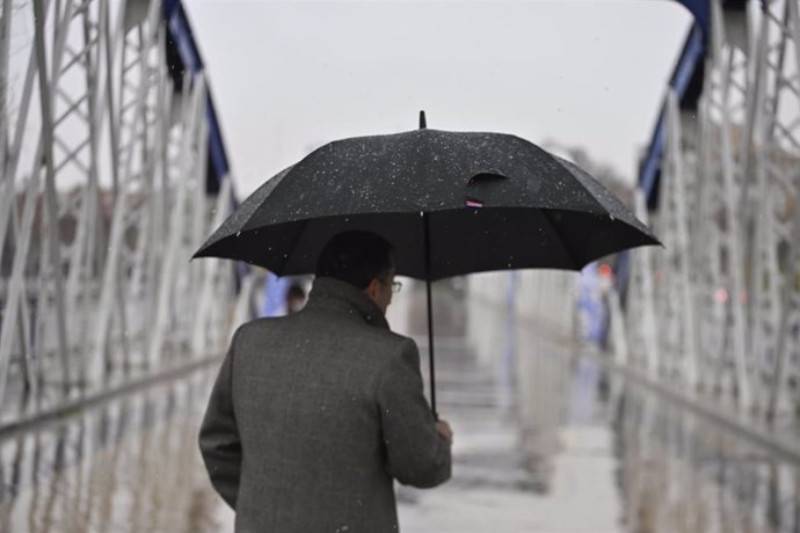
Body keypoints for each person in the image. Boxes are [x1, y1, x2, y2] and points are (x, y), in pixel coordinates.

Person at [199, 230, 453, 532]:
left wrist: (261, 507)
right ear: (374, 289)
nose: (390, 298)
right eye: (392, 286)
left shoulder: (250, 340)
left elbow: (216, 444)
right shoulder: (390, 357)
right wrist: (438, 438)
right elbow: (420, 467)